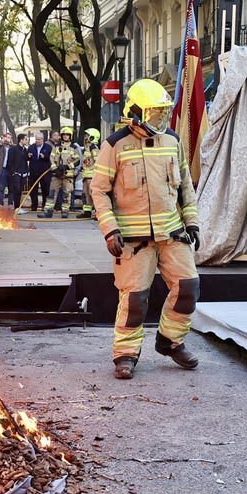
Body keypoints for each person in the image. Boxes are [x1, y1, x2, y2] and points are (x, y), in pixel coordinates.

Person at [91, 79, 201, 379]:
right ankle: (125, 354)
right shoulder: (115, 145)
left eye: (163, 114)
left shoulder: (172, 141)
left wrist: (192, 222)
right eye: (154, 114)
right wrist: (110, 230)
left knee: (188, 288)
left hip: (172, 233)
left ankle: (170, 341)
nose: (160, 120)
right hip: (133, 240)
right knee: (135, 299)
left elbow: (185, 188)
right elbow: (99, 190)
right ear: (136, 112)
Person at [44, 128, 81, 218]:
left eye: (67, 135)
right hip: (56, 175)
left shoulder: (74, 147)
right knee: (52, 193)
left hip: (68, 175)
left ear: (70, 136)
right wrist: (55, 169)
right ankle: (48, 211)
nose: (65, 136)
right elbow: (51, 158)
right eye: (64, 135)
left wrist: (68, 166)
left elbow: (77, 160)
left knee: (66, 194)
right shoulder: (56, 146)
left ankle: (65, 211)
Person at [27, 131, 54, 211]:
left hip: (45, 172)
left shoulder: (48, 147)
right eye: (36, 139)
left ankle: (44, 205)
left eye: (39, 139)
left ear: (42, 139)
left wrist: (45, 157)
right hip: (33, 172)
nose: (37, 141)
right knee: (33, 189)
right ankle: (34, 205)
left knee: (45, 189)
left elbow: (51, 158)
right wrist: (28, 156)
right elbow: (27, 158)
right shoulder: (31, 147)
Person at [4, 133, 30, 209]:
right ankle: (17, 207)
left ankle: (19, 207)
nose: (27, 140)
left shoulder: (25, 149)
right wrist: (13, 172)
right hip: (16, 173)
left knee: (21, 190)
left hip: (23, 173)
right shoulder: (13, 149)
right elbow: (10, 161)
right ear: (21, 140)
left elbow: (25, 160)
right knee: (17, 190)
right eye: (25, 139)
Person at [80, 128, 101, 218]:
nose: (85, 137)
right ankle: (87, 212)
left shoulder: (93, 148)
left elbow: (98, 161)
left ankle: (98, 213)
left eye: (87, 136)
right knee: (86, 195)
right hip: (86, 175)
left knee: (93, 195)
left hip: (92, 176)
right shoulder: (88, 147)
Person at [0, 133, 15, 207]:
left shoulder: (13, 147)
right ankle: (0, 203)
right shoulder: (0, 147)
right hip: (2, 169)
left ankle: (10, 203)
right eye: (6, 138)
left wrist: (11, 145)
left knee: (11, 187)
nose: (7, 139)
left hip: (10, 170)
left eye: (9, 138)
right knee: (1, 187)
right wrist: (0, 143)